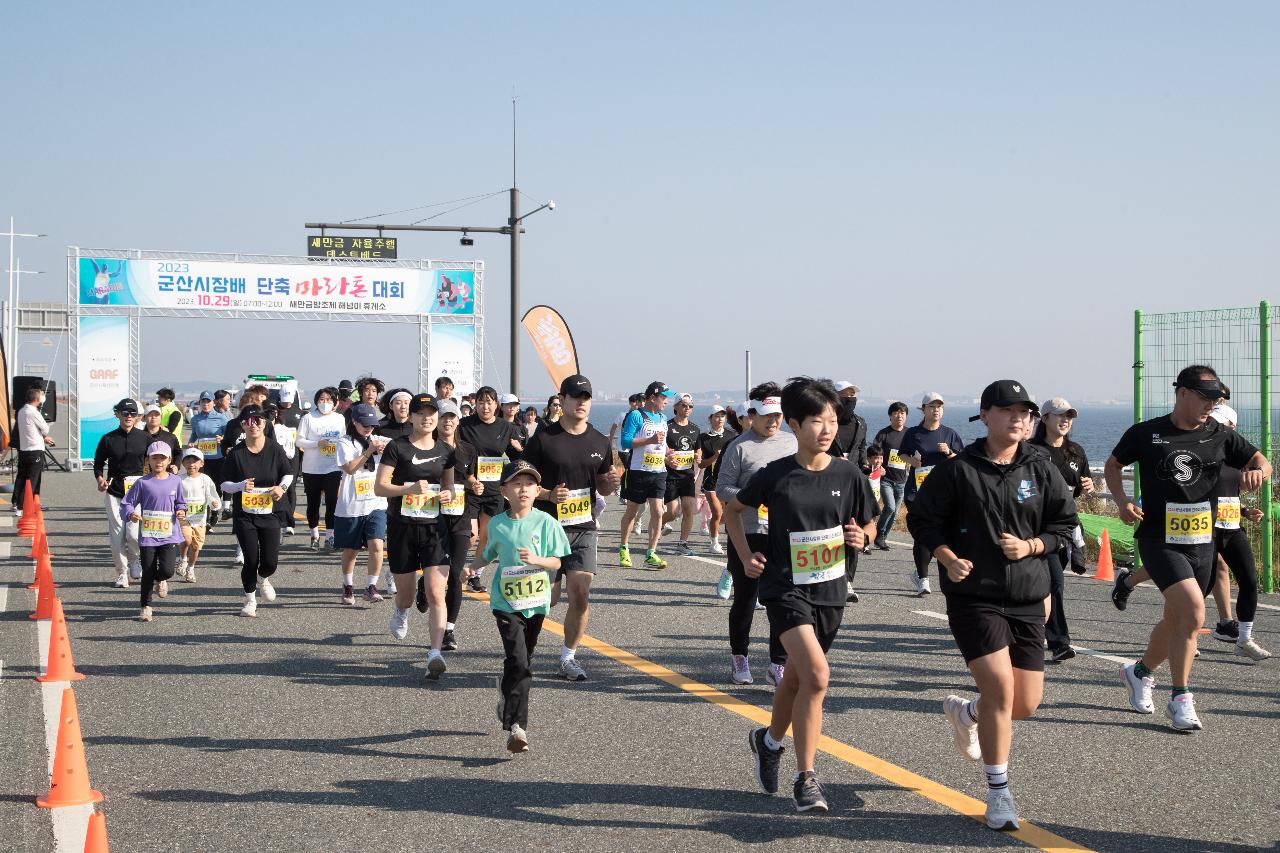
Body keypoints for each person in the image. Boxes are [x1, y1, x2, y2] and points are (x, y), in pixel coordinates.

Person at [908, 380, 1078, 831]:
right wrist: (945, 557)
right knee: (1001, 690)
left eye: (1024, 411)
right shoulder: (959, 470)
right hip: (974, 598)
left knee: (1026, 703)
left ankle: (969, 713)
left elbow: (1064, 524)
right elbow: (922, 519)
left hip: (1027, 595)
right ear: (985, 415)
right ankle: (999, 793)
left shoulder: (1041, 468)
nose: (1019, 418)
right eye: (1007, 410)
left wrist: (1033, 546)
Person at [726, 377, 877, 813]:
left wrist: (861, 537)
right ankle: (806, 777)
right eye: (816, 421)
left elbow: (868, 522)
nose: (826, 429)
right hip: (785, 587)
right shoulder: (775, 475)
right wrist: (746, 555)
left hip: (831, 588)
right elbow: (735, 513)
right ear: (794, 423)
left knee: (796, 679)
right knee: (817, 676)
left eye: (832, 420)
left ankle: (769, 741)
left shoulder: (849, 474)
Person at [1105, 365, 1270, 731]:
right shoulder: (1147, 433)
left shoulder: (1219, 434)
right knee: (1195, 614)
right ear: (1182, 393)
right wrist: (1121, 500)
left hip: (1202, 542)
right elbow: (1114, 464)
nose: (1212, 405)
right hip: (1159, 540)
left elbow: (1262, 461)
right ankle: (1180, 699)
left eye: (1217, 399)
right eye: (1206, 398)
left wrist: (1259, 471)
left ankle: (1140, 672)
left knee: (1175, 620)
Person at [521, 374, 619, 681]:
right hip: (547, 527)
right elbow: (522, 483)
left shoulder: (599, 441)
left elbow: (602, 485)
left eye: (586, 397)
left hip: (583, 527)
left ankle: (568, 657)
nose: (581, 402)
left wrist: (611, 483)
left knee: (581, 593)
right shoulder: (543, 439)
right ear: (562, 400)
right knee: (545, 598)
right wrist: (549, 493)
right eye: (575, 397)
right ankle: (525, 650)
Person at [469, 460, 570, 752]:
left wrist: (537, 560)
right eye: (516, 483)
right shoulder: (499, 524)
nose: (523, 489)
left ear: (538, 490)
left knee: (521, 661)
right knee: (520, 662)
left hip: (536, 603)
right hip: (505, 602)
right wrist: (471, 569)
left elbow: (557, 561)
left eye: (529, 484)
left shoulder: (546, 522)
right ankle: (517, 727)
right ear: (504, 491)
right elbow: (488, 554)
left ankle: (505, 692)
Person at [716, 385, 797, 686]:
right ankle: (740, 656)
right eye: (766, 416)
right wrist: (753, 496)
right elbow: (722, 488)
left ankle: (778, 662)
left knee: (781, 601)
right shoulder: (739, 446)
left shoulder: (791, 443)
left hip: (783, 533)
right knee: (746, 599)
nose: (773, 421)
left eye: (778, 416)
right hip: (747, 532)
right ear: (751, 415)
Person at [375, 393, 457, 679]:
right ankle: (401, 610)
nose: (427, 418)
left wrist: (449, 494)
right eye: (420, 413)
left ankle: (434, 652)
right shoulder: (397, 448)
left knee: (437, 592)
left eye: (431, 413)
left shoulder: (446, 451)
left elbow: (451, 487)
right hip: (402, 528)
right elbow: (380, 487)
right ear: (411, 417)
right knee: (407, 596)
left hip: (435, 529)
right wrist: (406, 490)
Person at [1201, 402, 1272, 661]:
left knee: (1249, 581)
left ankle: (1243, 639)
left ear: (1233, 428)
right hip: (1203, 528)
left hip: (1231, 527)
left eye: (1223, 424)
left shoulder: (1239, 457)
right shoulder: (1203, 453)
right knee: (1199, 588)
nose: (1217, 429)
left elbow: (1228, 494)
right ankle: (1184, 633)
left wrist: (1245, 511)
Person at [1029, 398, 1093, 661]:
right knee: (1055, 582)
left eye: (1069, 416)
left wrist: (1085, 487)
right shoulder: (1030, 451)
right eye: (1060, 415)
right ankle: (1058, 642)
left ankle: (1033, 627)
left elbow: (1078, 487)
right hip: (1034, 527)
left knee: (1049, 584)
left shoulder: (1076, 452)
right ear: (1044, 418)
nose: (1066, 420)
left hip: (1063, 528)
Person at [221, 405, 293, 618]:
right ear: (243, 425)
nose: (254, 425)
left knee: (270, 561)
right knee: (251, 559)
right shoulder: (236, 452)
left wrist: (281, 488)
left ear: (265, 424)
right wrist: (240, 486)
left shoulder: (274, 448)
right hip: (246, 514)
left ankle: (264, 578)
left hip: (270, 511)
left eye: (258, 420)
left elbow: (287, 474)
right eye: (248, 421)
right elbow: (224, 484)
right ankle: (250, 599)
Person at [900, 393, 965, 595]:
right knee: (923, 534)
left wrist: (949, 453)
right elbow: (902, 453)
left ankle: (929, 573)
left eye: (939, 407)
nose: (936, 410)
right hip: (917, 491)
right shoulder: (913, 433)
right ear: (923, 409)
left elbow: (962, 460)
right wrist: (912, 462)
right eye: (932, 407)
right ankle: (923, 579)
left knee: (942, 535)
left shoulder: (950, 434)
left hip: (943, 493)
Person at [459, 386, 523, 592]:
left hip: (494, 489)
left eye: (489, 402)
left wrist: (520, 449)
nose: (485, 406)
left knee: (486, 537)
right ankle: (454, 567)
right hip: (469, 487)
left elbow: (517, 460)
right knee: (470, 536)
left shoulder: (506, 427)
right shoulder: (464, 425)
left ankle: (475, 576)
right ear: (475, 404)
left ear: (496, 405)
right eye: (481, 402)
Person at [120, 442, 188, 622]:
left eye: (162, 458)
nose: (158, 462)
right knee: (148, 572)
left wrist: (181, 510)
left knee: (167, 570)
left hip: (169, 534)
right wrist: (131, 514)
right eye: (154, 458)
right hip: (149, 535)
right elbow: (127, 503)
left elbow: (181, 502)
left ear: (169, 460)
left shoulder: (176, 481)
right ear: (148, 460)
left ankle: (162, 579)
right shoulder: (142, 482)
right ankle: (146, 606)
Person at [433, 399, 480, 649]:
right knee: (434, 570)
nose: (448, 421)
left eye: (451, 417)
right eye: (443, 417)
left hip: (461, 518)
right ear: (435, 420)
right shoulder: (426, 449)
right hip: (432, 518)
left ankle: (449, 630)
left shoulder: (468, 450)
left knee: (454, 573)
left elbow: (471, 477)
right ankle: (423, 585)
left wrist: (474, 484)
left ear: (458, 420)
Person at [333, 403, 390, 605]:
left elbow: (402, 448)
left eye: (372, 424)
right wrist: (369, 451)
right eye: (364, 424)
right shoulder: (345, 442)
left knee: (377, 544)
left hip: (376, 503)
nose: (369, 428)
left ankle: (371, 586)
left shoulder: (378, 440)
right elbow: (349, 468)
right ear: (354, 422)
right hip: (352, 506)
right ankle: (348, 585)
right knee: (351, 551)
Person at [618, 382, 679, 569]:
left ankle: (651, 553)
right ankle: (624, 548)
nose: (666, 401)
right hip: (638, 471)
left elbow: (662, 444)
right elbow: (625, 441)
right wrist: (649, 440)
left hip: (659, 472)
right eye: (663, 397)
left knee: (658, 511)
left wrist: (669, 455)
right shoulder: (636, 416)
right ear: (653, 398)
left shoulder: (662, 418)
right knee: (632, 511)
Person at [93, 399, 150, 587]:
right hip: (114, 492)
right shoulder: (108, 439)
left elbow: (157, 459)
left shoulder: (144, 437)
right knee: (117, 536)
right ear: (117, 414)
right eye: (125, 413)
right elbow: (98, 463)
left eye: (133, 414)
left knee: (133, 535)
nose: (129, 417)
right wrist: (100, 479)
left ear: (137, 417)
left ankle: (135, 561)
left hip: (137, 493)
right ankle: (121, 573)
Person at [296, 387, 346, 551]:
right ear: (317, 401)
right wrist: (317, 444)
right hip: (312, 468)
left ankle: (330, 536)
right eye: (322, 399)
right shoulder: (309, 418)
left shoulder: (339, 419)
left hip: (333, 466)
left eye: (329, 400)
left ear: (335, 402)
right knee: (313, 503)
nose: (325, 403)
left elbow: (344, 439)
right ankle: (314, 535)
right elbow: (299, 441)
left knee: (332, 502)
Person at [661, 395, 701, 556]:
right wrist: (667, 459)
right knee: (672, 512)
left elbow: (698, 449)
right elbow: (657, 448)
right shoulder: (666, 426)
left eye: (691, 406)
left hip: (687, 475)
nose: (687, 409)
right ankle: (658, 523)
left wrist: (698, 456)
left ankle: (683, 543)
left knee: (688, 508)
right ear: (676, 406)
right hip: (669, 475)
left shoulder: (695, 428)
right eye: (684, 405)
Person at [698, 404, 738, 556]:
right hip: (711, 480)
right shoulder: (703, 438)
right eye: (716, 416)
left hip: (729, 479)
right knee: (717, 511)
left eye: (722, 416)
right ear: (710, 418)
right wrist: (715, 457)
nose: (720, 419)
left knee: (726, 515)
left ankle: (713, 527)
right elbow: (701, 463)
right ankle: (714, 543)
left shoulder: (732, 434)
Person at [176, 448, 220, 584]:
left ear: (202, 463)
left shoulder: (205, 479)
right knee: (186, 540)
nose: (191, 464)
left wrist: (214, 504)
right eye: (187, 460)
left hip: (199, 519)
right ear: (183, 463)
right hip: (184, 518)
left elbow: (212, 495)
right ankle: (182, 559)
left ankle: (191, 568)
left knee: (196, 547)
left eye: (195, 461)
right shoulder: (179, 480)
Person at [872, 402, 910, 551]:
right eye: (896, 413)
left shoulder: (909, 434)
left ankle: (882, 537)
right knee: (890, 507)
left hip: (902, 480)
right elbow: (874, 451)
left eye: (902, 413)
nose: (899, 416)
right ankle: (879, 535)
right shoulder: (883, 434)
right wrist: (877, 466)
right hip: (885, 479)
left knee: (894, 514)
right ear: (890, 416)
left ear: (906, 416)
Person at [14, 384, 54, 515]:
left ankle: (19, 504)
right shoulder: (33, 412)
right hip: (35, 451)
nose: (43, 397)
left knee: (22, 477)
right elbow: (45, 429)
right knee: (33, 480)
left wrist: (43, 438)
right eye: (41, 395)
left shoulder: (21, 411)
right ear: (36, 399)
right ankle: (26, 506)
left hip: (25, 449)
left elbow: (31, 430)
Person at [187, 391, 229, 500]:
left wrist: (222, 438)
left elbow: (228, 435)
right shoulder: (195, 419)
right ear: (200, 403)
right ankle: (206, 512)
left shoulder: (222, 418)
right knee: (202, 484)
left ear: (214, 403)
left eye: (208, 401)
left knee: (216, 484)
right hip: (201, 459)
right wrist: (191, 442)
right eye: (203, 402)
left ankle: (215, 512)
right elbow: (194, 434)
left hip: (217, 457)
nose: (206, 404)